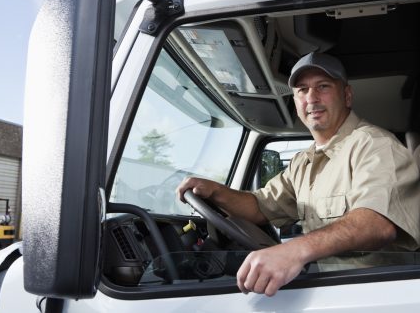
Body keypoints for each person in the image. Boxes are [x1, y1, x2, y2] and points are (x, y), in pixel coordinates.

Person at [176, 52, 420, 297]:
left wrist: (294, 251)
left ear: (346, 95)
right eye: (302, 90)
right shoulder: (303, 163)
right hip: (328, 290)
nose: (311, 98)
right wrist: (216, 192)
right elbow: (261, 207)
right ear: (295, 101)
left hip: (375, 295)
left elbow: (377, 224)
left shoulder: (373, 145)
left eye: (322, 87)